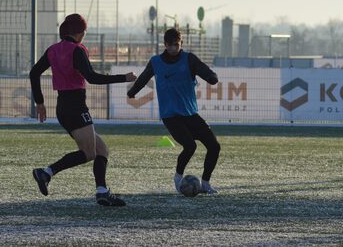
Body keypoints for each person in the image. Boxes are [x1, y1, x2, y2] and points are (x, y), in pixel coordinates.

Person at [30, 13, 136, 206]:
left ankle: (102, 191)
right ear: (80, 32)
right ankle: (46, 172)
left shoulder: (53, 50)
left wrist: (40, 102)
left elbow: (34, 73)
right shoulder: (77, 50)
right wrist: (124, 78)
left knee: (102, 149)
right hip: (76, 107)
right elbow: (92, 78)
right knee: (89, 153)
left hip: (64, 106)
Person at [127, 28, 221, 194]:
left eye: (176, 45)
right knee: (190, 146)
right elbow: (143, 77)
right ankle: (178, 177)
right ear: (165, 44)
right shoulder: (156, 62)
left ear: (181, 44)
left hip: (190, 114)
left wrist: (212, 77)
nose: (173, 48)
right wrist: (132, 91)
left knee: (214, 146)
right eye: (170, 45)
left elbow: (204, 70)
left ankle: (205, 183)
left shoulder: (189, 59)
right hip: (171, 116)